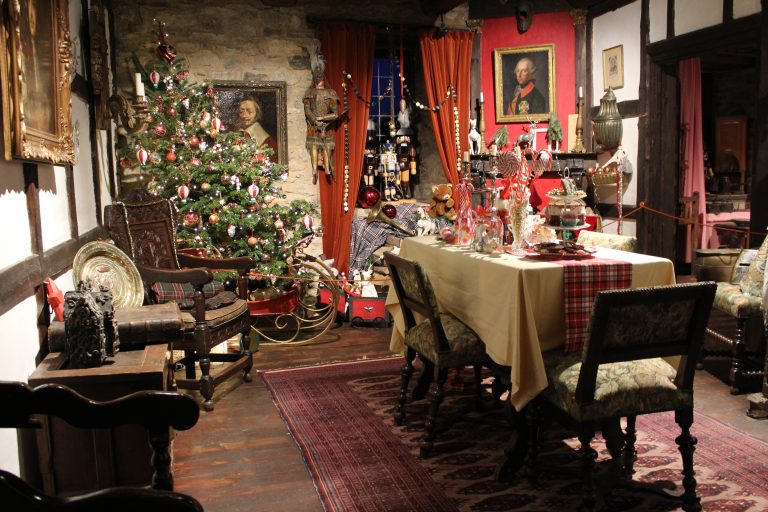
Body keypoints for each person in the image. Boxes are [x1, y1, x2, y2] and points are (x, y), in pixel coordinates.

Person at [303, 64, 340, 184]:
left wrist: (323, 118)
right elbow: (307, 110)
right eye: (317, 77)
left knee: (327, 147)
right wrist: (315, 120)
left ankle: (328, 168)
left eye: (321, 77)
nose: (319, 79)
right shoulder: (309, 93)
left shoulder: (331, 93)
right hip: (313, 126)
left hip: (327, 126)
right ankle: (314, 170)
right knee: (314, 146)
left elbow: (335, 113)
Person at [236, 96, 278, 161]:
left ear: (257, 113)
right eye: (241, 112)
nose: (244, 116)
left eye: (249, 111)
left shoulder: (268, 142)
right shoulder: (237, 134)